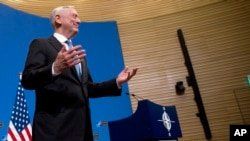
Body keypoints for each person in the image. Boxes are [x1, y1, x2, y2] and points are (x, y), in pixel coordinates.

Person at [21, 6, 137, 141]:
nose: (79, 21)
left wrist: (116, 82)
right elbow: (27, 79)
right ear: (58, 19)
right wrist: (55, 68)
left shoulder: (79, 55)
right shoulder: (41, 44)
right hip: (54, 131)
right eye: (74, 16)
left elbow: (87, 88)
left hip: (82, 132)